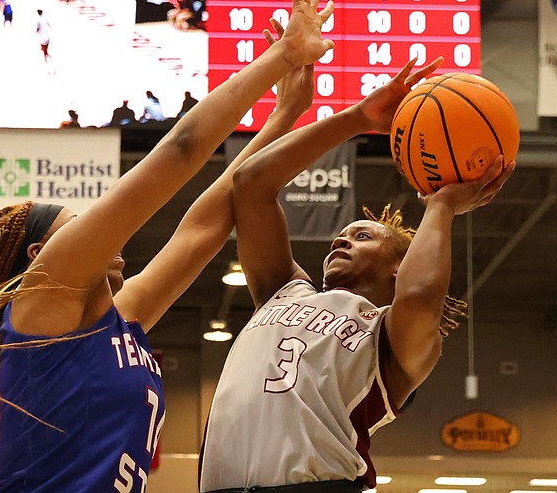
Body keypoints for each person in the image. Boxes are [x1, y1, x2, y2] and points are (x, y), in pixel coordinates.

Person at [0, 0, 335, 492]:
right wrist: (282, 54)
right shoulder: (45, 295)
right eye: (80, 226)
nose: (104, 235)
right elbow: (181, 149)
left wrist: (283, 116)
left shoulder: (119, 322)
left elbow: (203, 227)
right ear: (43, 252)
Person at [199, 58, 517, 493]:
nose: (339, 241)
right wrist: (356, 118)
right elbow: (252, 182)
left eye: (362, 235)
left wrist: (441, 206)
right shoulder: (283, 291)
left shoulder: (392, 337)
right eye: (342, 235)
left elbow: (422, 293)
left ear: (398, 267)